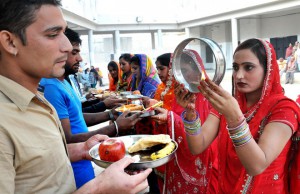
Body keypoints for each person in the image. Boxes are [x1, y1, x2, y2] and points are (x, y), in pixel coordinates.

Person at [0, 0, 151, 193]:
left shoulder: (38, 99)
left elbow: (34, 163)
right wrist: (99, 189)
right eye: (53, 34)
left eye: (63, 33)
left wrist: (81, 150)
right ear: (10, 42)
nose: (66, 46)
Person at [176, 38, 300, 193]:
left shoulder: (284, 109)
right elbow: (197, 146)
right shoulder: (229, 104)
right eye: (235, 67)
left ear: (268, 70)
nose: (239, 75)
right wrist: (190, 113)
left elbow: (257, 165)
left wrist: (234, 118)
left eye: (249, 67)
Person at [40, 28, 142, 188]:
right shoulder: (51, 87)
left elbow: (78, 116)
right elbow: (66, 138)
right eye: (74, 52)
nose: (79, 58)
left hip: (84, 160)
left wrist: (109, 115)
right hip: (74, 165)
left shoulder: (64, 82)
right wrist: (115, 127)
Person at [146, 51, 217, 193]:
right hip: (177, 159)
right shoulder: (182, 93)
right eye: (178, 71)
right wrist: (168, 118)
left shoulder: (209, 97)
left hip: (199, 162)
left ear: (198, 72)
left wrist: (170, 118)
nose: (180, 76)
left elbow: (207, 137)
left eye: (184, 70)